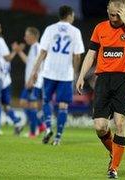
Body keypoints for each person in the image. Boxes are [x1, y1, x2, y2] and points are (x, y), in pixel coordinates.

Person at [76, 0, 125, 178]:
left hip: (124, 80)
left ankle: (114, 168)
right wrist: (81, 75)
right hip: (103, 80)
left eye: (117, 15)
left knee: (120, 123)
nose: (113, 18)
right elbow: (91, 53)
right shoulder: (100, 28)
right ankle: (114, 151)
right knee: (100, 126)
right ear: (107, 10)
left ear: (124, 12)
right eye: (110, 14)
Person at [28, 5, 85, 145]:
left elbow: (42, 53)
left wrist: (34, 71)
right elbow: (77, 56)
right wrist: (76, 72)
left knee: (46, 101)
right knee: (63, 105)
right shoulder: (75, 31)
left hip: (49, 72)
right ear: (70, 15)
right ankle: (58, 137)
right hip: (65, 74)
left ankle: (48, 128)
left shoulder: (50, 29)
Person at [15, 27, 45, 138]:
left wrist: (32, 79)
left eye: (27, 35)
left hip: (34, 82)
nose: (25, 37)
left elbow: (39, 64)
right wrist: (19, 52)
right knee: (23, 103)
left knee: (31, 106)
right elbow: (29, 62)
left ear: (33, 36)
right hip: (30, 81)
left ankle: (33, 132)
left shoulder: (37, 47)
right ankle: (40, 125)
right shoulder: (33, 47)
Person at [0, 36, 23, 135]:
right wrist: (15, 51)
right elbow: (9, 59)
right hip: (7, 83)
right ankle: (17, 121)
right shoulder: (6, 57)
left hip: (1, 83)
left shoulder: (0, 57)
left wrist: (15, 51)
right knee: (5, 106)